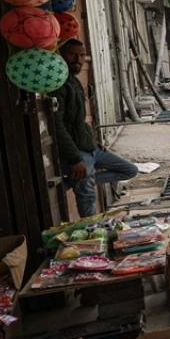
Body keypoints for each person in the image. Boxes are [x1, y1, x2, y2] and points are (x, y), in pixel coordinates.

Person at [51, 39, 138, 218]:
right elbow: (56, 126)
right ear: (60, 55)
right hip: (77, 152)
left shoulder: (74, 81)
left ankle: (77, 182)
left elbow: (80, 122)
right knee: (87, 196)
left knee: (130, 170)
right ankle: (91, 229)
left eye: (82, 55)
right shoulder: (58, 85)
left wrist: (94, 142)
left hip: (90, 148)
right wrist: (75, 159)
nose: (78, 59)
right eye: (72, 54)